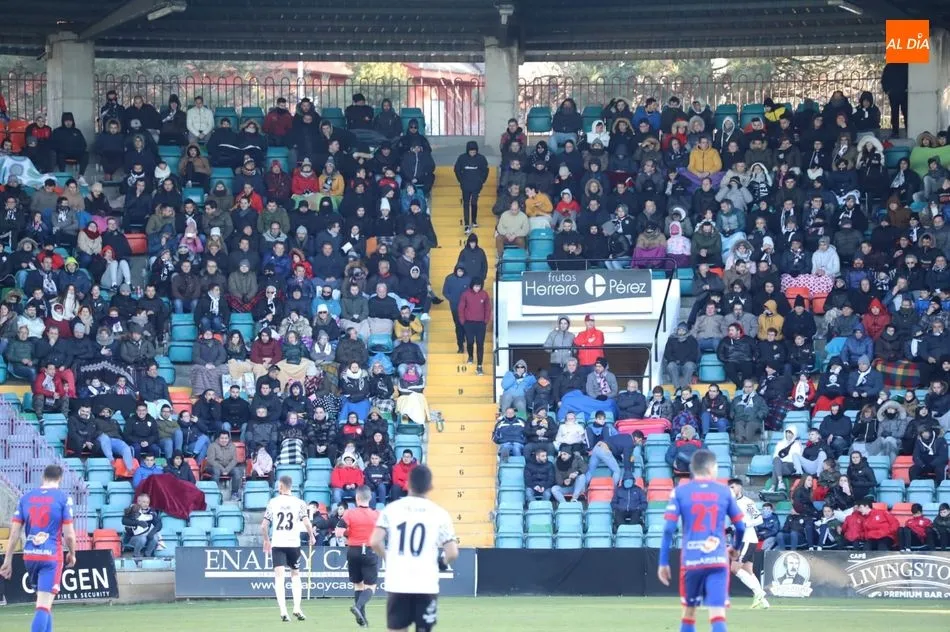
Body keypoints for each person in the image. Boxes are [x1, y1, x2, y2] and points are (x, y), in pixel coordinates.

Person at [657, 450, 745, 632]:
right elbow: (741, 526)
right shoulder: (724, 492)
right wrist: (735, 548)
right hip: (718, 560)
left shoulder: (680, 492)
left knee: (689, 615)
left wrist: (663, 562)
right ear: (712, 468)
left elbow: (667, 529)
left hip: (691, 561)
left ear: (692, 469)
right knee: (717, 615)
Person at [370, 465, 459, 632]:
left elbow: (375, 541)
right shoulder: (439, 513)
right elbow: (452, 552)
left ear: (408, 484)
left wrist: (389, 558)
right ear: (430, 487)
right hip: (426, 583)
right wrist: (443, 562)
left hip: (398, 582)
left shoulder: (392, 509)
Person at [0, 464, 77, 632]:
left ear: (43, 477)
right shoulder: (63, 499)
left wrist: (8, 559)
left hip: (30, 556)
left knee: (44, 603)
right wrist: (72, 553)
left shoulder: (25, 498)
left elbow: (14, 533)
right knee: (43, 606)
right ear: (60, 479)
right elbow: (69, 535)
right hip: (51, 557)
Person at [262, 475, 316, 622]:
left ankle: (283, 611)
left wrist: (266, 540)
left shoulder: (273, 502)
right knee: (295, 575)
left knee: (279, 577)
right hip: (293, 543)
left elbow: (264, 525)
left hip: (278, 543)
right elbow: (307, 523)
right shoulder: (299, 503)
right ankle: (297, 608)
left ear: (280, 486)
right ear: (291, 486)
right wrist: (311, 536)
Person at [335, 486, 381, 627]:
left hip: (353, 550)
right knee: (371, 587)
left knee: (358, 585)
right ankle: (358, 607)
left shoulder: (349, 513)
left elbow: (338, 532)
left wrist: (350, 533)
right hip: (369, 551)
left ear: (357, 498)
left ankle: (363, 620)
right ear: (370, 498)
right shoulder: (377, 514)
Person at [728, 479, 770, 609]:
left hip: (747, 539)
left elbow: (759, 519)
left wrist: (745, 524)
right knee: (748, 571)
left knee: (734, 568)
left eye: (732, 487)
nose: (731, 490)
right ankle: (763, 601)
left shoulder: (747, 502)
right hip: (740, 540)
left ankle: (759, 592)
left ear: (739, 488)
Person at [457, 277, 491, 375]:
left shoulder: (484, 294)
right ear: (472, 285)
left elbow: (487, 308)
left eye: (479, 286)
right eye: (476, 286)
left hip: (481, 324)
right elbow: (461, 308)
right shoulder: (465, 294)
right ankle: (471, 356)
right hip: (469, 323)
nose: (477, 288)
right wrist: (463, 321)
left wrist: (486, 320)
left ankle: (479, 366)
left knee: (480, 344)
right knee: (470, 342)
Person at [453, 140, 489, 233]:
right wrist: (461, 181)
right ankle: (466, 224)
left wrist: (481, 181)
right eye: (471, 151)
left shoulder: (481, 159)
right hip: (465, 185)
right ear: (467, 151)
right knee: (466, 203)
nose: (472, 153)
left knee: (474, 202)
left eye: (474, 151)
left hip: (476, 185)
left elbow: (485, 171)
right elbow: (456, 170)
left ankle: (473, 220)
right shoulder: (462, 158)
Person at [206, 431, 245, 501]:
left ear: (228, 438)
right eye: (222, 438)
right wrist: (223, 469)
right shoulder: (212, 446)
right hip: (213, 467)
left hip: (227, 467)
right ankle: (215, 493)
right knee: (216, 471)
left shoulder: (232, 446)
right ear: (218, 438)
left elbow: (234, 460)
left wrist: (227, 469)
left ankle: (234, 494)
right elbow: (211, 460)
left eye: (226, 438)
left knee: (237, 471)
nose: (224, 440)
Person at [122, 492, 163, 558]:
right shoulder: (133, 509)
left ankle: (147, 555)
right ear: (138, 501)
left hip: (145, 535)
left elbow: (159, 524)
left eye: (147, 502)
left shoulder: (150, 511)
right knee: (142, 538)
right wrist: (138, 522)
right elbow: (124, 521)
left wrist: (152, 533)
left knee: (155, 537)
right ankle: (136, 555)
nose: (146, 504)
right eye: (144, 502)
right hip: (131, 537)